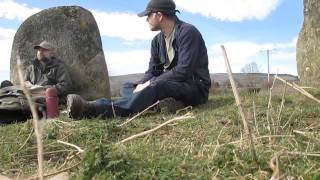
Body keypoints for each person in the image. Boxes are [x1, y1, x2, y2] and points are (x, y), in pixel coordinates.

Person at [67, 0, 211, 119]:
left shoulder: (188, 33)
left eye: (148, 16)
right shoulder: (157, 41)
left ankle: (94, 109)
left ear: (159, 15)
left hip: (194, 88)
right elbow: (153, 71)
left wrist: (150, 83)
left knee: (154, 86)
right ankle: (163, 104)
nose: (147, 19)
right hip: (169, 86)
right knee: (128, 87)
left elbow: (183, 71)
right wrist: (141, 84)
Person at [0, 41, 72, 99]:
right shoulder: (31, 68)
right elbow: (25, 82)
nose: (40, 52)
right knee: (6, 85)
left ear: (51, 53)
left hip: (47, 98)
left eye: (44, 50)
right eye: (39, 50)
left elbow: (65, 86)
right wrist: (27, 86)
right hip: (29, 96)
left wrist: (47, 89)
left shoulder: (59, 67)